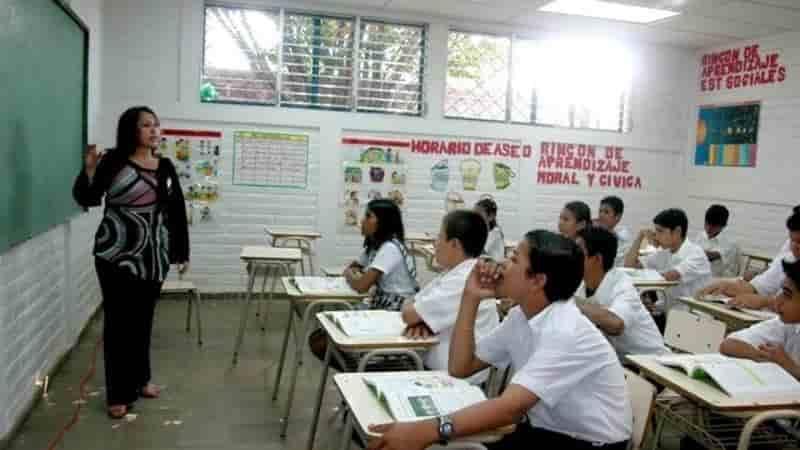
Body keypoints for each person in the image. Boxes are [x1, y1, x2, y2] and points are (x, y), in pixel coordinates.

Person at [368, 231, 631, 450]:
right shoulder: (522, 315)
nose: (503, 264)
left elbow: (509, 409)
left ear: (538, 281)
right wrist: (470, 298)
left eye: (514, 259)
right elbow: (461, 367)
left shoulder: (566, 332)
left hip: (589, 443)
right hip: (544, 429)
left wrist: (427, 431)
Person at [72, 106, 189, 419]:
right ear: (131, 130)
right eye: (146, 125)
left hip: (154, 257)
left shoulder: (164, 166)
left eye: (156, 125)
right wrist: (89, 171)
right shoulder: (113, 161)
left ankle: (141, 380)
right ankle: (118, 394)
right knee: (119, 324)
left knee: (143, 321)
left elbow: (175, 212)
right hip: (116, 255)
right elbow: (88, 198)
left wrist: (180, 253)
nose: (154, 130)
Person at [310, 199, 419, 361]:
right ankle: (359, 364)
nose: (362, 221)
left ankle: (366, 365)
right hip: (381, 303)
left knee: (322, 341)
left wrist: (349, 274)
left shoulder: (390, 248)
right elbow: (355, 266)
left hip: (396, 310)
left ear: (383, 222)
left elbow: (361, 285)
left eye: (368, 216)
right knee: (320, 336)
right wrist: (352, 272)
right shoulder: (375, 246)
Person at [401, 210, 500, 383]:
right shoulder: (454, 272)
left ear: (454, 244)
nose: (435, 243)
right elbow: (411, 304)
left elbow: (408, 314)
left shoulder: (464, 279)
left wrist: (419, 318)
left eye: (439, 237)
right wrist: (421, 320)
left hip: (454, 381)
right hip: (438, 369)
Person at [575, 227, 669, 360]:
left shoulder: (622, 284)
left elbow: (616, 324)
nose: (571, 257)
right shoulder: (581, 284)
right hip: (620, 363)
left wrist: (573, 303)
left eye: (578, 252)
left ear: (597, 259)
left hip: (653, 364)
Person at [625, 208, 711, 329]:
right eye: (655, 231)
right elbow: (629, 266)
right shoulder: (664, 252)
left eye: (660, 231)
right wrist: (640, 237)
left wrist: (647, 276)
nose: (656, 236)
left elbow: (670, 276)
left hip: (696, 320)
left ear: (677, 231)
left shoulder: (696, 253)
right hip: (672, 315)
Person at [700, 208, 800, 310]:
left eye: (799, 242)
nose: (794, 247)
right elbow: (758, 287)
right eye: (792, 240)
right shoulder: (788, 258)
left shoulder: (730, 242)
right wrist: (727, 287)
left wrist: (765, 301)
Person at [720, 259, 800, 380]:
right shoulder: (787, 324)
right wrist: (764, 356)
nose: (777, 301)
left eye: (787, 295)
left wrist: (791, 368)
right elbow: (728, 344)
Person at [694, 204, 740, 277]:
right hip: (701, 279)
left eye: (713, 226)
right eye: (707, 224)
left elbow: (709, 256)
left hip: (720, 282)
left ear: (723, 226)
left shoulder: (731, 243)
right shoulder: (701, 235)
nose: (708, 228)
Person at [596, 196, 631, 267]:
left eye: (606, 212)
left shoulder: (623, 233)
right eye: (600, 211)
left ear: (618, 216)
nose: (601, 215)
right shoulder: (596, 230)